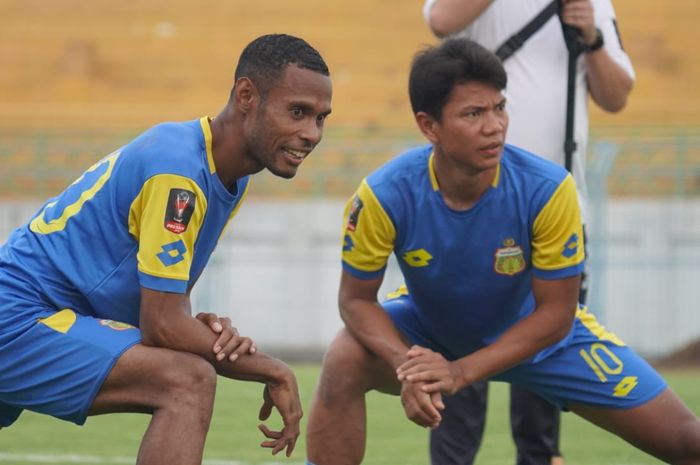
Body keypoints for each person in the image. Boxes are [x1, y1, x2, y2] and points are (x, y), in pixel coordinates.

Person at [304, 38, 700, 465]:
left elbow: (556, 316)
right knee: (344, 357)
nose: (494, 126)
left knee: (686, 442)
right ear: (429, 125)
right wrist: (409, 368)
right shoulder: (382, 196)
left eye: (499, 107)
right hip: (431, 332)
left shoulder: (548, 190)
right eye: (473, 113)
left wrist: (459, 372)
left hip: (542, 341)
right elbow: (355, 300)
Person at [0, 33, 332, 465]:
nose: (311, 133)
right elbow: (160, 324)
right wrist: (273, 369)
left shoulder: (224, 175)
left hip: (41, 315)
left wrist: (197, 328)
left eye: (321, 118)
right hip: (20, 316)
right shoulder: (181, 175)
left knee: (188, 367)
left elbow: (166, 306)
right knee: (187, 381)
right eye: (298, 112)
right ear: (246, 94)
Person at [421, 0, 635, 463]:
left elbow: (617, 96)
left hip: (555, 209)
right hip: (473, 208)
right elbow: (440, 21)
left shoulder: (589, 4)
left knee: (544, 357)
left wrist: (592, 39)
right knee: (460, 360)